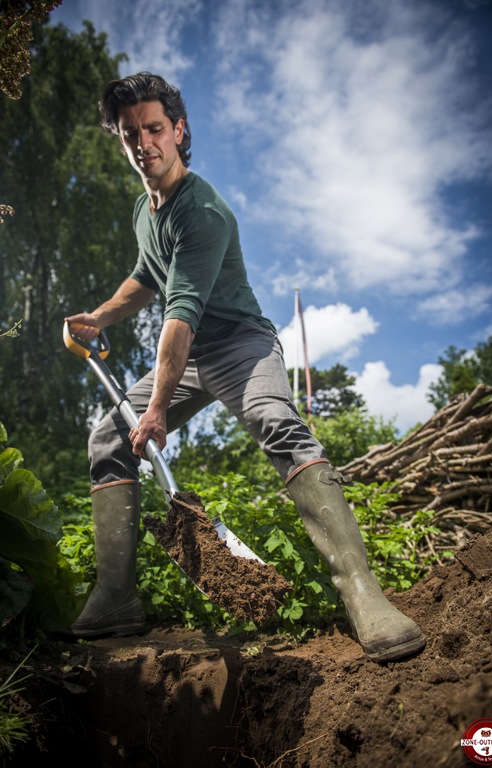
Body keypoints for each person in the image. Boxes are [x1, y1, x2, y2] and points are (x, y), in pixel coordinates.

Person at [65, 72, 425, 662]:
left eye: (154, 128)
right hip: (189, 354)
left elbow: (177, 317)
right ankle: (115, 599)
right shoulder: (143, 208)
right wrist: (99, 318)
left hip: (239, 344)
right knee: (107, 437)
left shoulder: (202, 212)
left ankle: (364, 595)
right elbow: (147, 277)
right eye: (130, 133)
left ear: (178, 131)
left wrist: (155, 410)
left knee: (273, 418)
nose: (143, 143)